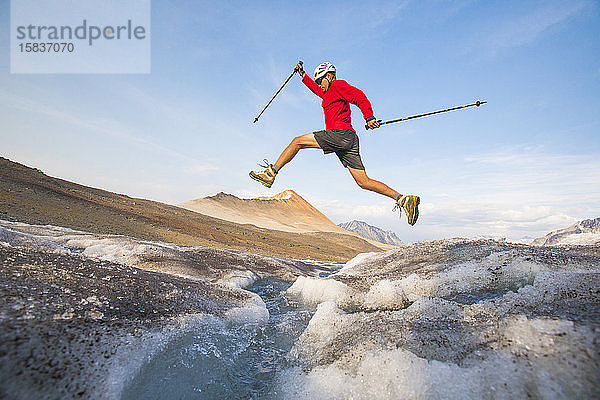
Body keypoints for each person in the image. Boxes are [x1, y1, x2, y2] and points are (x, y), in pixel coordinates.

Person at [250, 61, 420, 225]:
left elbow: (359, 96)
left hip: (340, 135)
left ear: (330, 76)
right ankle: (403, 199)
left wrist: (369, 117)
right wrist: (302, 74)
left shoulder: (338, 85)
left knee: (297, 142)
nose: (319, 84)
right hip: (350, 140)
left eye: (321, 80)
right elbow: (316, 89)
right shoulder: (327, 92)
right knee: (363, 182)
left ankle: (270, 174)